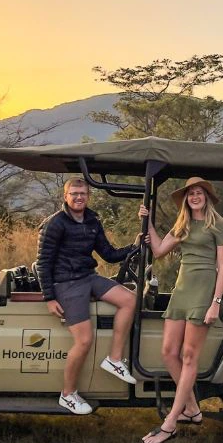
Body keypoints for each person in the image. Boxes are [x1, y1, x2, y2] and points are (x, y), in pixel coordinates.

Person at [137, 176, 223, 443]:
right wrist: (148, 222)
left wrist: (216, 302)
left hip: (203, 292)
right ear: (186, 199)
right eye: (191, 194)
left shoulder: (218, 224)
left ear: (207, 197)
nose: (195, 197)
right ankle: (192, 409)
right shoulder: (183, 224)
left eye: (199, 193)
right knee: (168, 353)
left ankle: (171, 421)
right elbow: (158, 250)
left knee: (189, 357)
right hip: (182, 291)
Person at [37, 177, 140, 415]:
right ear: (65, 196)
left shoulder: (92, 220)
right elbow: (43, 263)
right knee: (84, 341)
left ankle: (114, 359)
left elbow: (109, 254)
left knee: (129, 300)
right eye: (74, 194)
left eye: (82, 193)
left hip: (88, 276)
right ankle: (68, 394)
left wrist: (136, 246)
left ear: (88, 196)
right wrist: (49, 298)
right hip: (66, 283)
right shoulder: (55, 224)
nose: (78, 197)